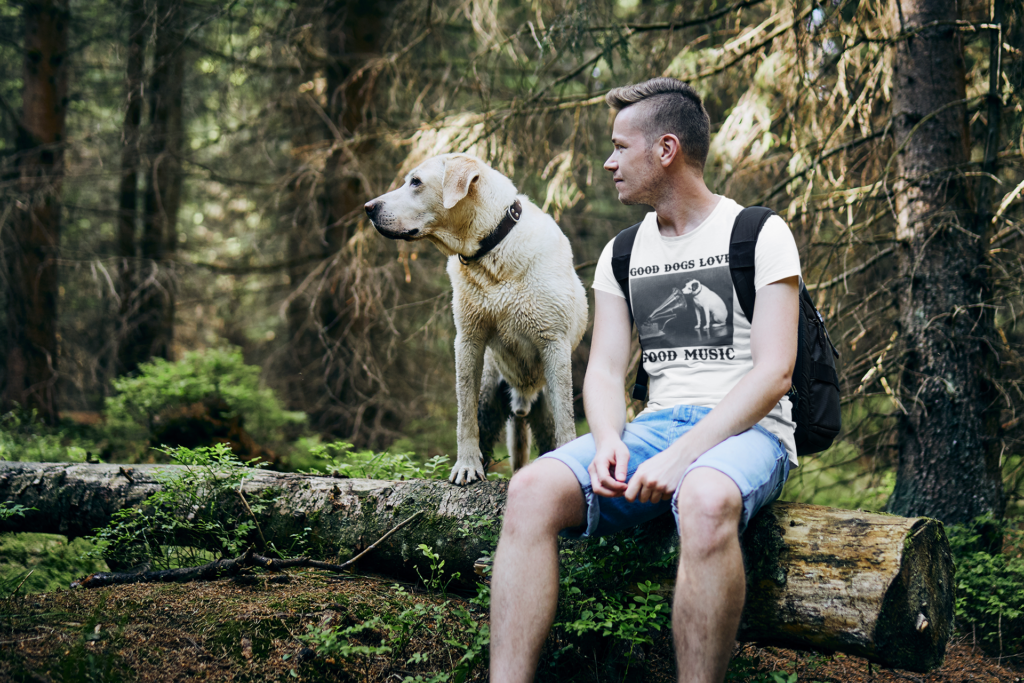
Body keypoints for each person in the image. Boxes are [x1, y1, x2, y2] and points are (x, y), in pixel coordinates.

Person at [488, 77, 802, 683]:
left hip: (750, 431)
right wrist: (609, 438)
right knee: (529, 491)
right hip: (656, 428)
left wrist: (684, 457)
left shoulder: (759, 233)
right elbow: (605, 370)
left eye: (619, 147)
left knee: (705, 498)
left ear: (665, 150)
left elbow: (774, 373)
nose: (609, 163)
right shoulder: (623, 252)